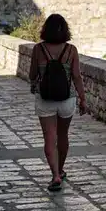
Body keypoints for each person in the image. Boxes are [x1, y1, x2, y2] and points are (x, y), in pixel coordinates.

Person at [29, 14, 86, 192]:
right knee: (63, 135)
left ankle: (55, 175)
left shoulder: (38, 49)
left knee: (49, 138)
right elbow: (76, 76)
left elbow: (32, 75)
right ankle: (61, 169)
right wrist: (83, 98)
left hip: (45, 98)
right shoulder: (71, 50)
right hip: (67, 99)